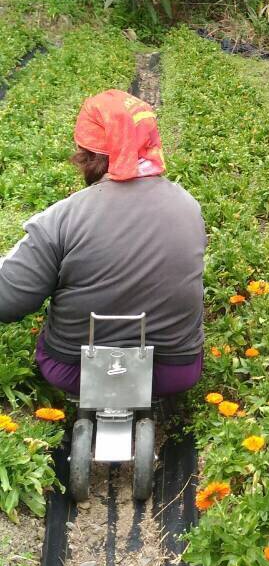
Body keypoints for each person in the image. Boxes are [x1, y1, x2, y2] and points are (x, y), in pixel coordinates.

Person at [0, 89, 206, 398]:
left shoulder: (63, 217)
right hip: (172, 371)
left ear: (86, 151)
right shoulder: (188, 206)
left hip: (74, 370)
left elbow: (8, 302)